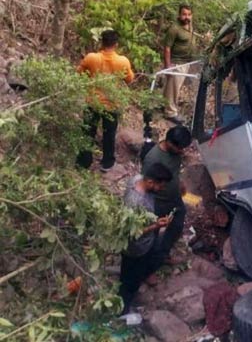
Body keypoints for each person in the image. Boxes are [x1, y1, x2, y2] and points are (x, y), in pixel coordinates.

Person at [119, 163, 174, 314]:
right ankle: (122, 310)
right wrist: (155, 226)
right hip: (135, 249)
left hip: (145, 243)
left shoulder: (137, 179)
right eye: (160, 186)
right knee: (129, 282)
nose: (161, 189)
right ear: (150, 182)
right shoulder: (136, 202)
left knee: (133, 274)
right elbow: (131, 232)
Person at [77, 29, 135, 171]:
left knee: (88, 133)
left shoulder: (91, 58)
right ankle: (107, 163)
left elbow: (79, 73)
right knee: (109, 134)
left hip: (93, 102)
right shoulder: (123, 61)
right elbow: (129, 79)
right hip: (112, 103)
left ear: (101, 42)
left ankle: (84, 162)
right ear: (116, 44)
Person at [142, 125, 192, 262]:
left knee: (177, 225)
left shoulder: (176, 153)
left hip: (175, 199)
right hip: (158, 202)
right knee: (152, 234)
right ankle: (148, 264)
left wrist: (179, 184)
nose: (182, 151)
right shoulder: (153, 159)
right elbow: (146, 184)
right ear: (169, 142)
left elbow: (174, 171)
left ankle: (162, 254)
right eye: (180, 148)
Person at [162, 4, 198, 122]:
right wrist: (168, 66)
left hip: (186, 62)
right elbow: (167, 48)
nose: (186, 17)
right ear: (179, 15)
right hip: (176, 62)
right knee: (174, 88)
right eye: (184, 14)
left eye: (188, 14)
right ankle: (170, 113)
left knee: (172, 87)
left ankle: (164, 105)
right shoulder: (174, 29)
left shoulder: (189, 25)